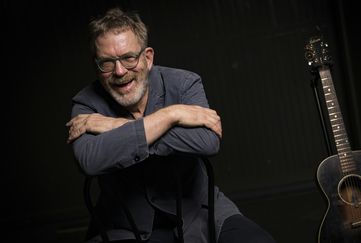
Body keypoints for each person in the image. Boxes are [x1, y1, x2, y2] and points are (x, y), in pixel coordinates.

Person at [66, 7, 276, 243]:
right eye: (107, 62)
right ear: (97, 66)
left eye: (128, 58)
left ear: (147, 57)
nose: (119, 71)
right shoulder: (85, 104)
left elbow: (207, 142)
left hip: (200, 214)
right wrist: (171, 116)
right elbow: (89, 160)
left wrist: (117, 126)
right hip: (124, 228)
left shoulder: (184, 82)